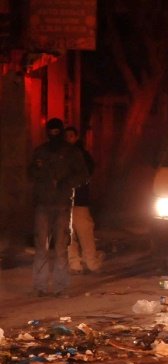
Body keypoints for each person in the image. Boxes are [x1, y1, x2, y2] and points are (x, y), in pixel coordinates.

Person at [27, 118, 88, 297]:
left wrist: (66, 183)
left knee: (61, 247)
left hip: (62, 204)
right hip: (43, 204)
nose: (53, 135)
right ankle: (40, 286)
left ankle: (61, 286)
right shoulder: (41, 151)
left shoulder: (71, 153)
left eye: (56, 132)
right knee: (41, 247)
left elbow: (83, 174)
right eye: (50, 132)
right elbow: (30, 172)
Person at [64, 126, 103, 274]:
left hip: (80, 200)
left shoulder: (82, 155)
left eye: (71, 136)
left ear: (76, 137)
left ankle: (91, 262)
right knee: (69, 234)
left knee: (85, 232)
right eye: (66, 136)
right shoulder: (60, 155)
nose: (68, 139)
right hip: (65, 201)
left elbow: (87, 173)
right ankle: (74, 263)